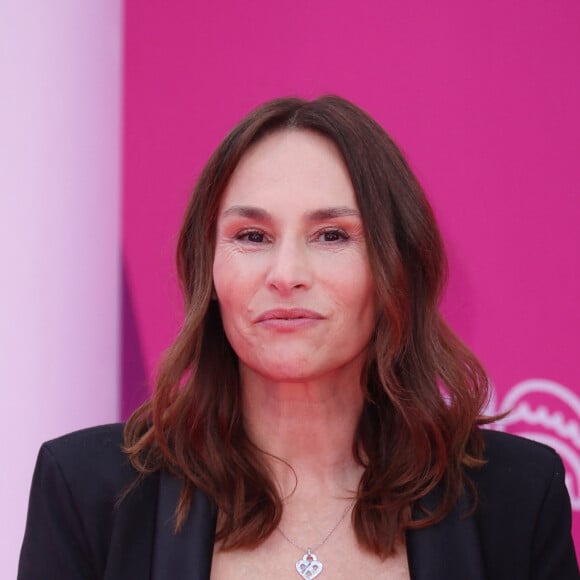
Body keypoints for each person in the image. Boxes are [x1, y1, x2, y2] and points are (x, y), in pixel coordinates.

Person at [18, 96, 579, 579]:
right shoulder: (87, 492)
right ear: (208, 272)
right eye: (252, 235)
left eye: (332, 234)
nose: (286, 273)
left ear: (396, 268)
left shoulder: (517, 497)